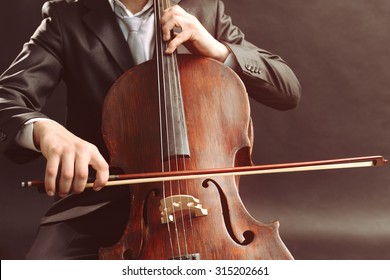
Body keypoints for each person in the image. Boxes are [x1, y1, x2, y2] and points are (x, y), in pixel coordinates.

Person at [0, 0, 301, 259]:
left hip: (203, 206)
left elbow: (287, 89)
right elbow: (6, 97)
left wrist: (219, 50)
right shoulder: (65, 17)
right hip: (96, 203)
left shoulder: (204, 9)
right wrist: (43, 129)